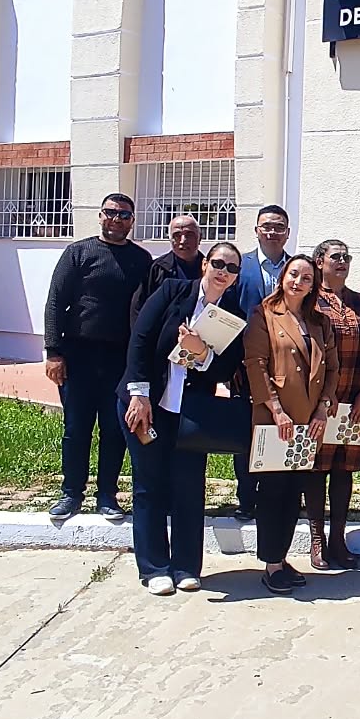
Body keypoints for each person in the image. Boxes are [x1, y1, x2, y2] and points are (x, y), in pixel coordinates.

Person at [119, 241, 248, 595]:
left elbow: (226, 365)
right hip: (147, 403)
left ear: (236, 277)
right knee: (150, 485)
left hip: (190, 412)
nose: (224, 272)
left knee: (190, 489)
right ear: (206, 264)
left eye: (232, 268)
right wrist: (139, 394)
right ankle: (154, 568)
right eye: (219, 263)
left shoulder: (232, 314)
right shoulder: (173, 291)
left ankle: (187, 566)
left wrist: (201, 352)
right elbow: (140, 341)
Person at [42, 193, 151, 522]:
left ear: (132, 221)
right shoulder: (79, 252)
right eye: (111, 213)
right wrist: (53, 351)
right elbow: (54, 302)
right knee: (76, 427)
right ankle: (71, 493)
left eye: (124, 215)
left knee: (114, 429)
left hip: (120, 358)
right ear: (100, 215)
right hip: (78, 354)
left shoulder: (141, 260)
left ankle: (107, 495)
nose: (117, 220)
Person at [243, 254, 336, 595]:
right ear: (283, 277)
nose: (299, 281)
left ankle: (280, 558)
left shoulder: (318, 320)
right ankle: (271, 564)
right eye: (294, 274)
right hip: (275, 421)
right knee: (273, 493)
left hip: (308, 423)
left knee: (293, 492)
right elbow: (256, 363)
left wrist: (324, 408)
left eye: (307, 278)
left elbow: (333, 369)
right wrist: (276, 410)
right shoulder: (263, 314)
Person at [310, 239, 360, 570]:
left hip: (354, 404)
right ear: (319, 261)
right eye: (335, 257)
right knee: (316, 469)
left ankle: (338, 539)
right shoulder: (309, 302)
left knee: (343, 471)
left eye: (346, 257)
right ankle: (317, 540)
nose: (342, 262)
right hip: (318, 403)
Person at [232, 205, 295, 521]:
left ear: (288, 231)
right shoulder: (240, 267)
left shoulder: (296, 270)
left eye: (278, 226)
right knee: (248, 433)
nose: (272, 232)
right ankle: (246, 498)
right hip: (246, 366)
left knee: (283, 430)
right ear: (256, 230)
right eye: (266, 226)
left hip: (287, 368)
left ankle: (277, 499)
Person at [142, 214, 204, 302]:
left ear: (200, 238)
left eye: (189, 235)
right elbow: (140, 305)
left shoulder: (211, 269)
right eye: (177, 235)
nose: (183, 241)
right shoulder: (157, 268)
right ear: (170, 239)